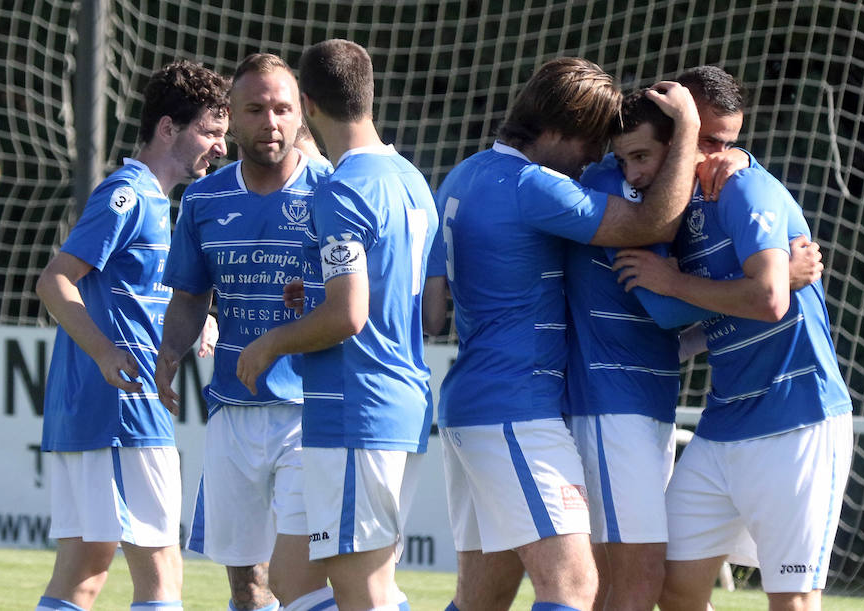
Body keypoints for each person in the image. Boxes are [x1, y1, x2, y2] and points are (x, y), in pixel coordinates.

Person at [423, 58, 702, 611]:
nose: (593, 160)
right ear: (557, 128)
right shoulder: (532, 186)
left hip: (473, 403)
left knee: (483, 599)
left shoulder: (465, 173)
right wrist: (688, 131)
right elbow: (655, 224)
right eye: (589, 143)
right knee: (573, 587)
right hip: (516, 410)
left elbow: (432, 309)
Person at [568, 85, 823, 611]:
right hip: (675, 417)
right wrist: (769, 286)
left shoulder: (740, 189)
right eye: (702, 137)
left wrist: (755, 286)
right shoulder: (643, 201)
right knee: (650, 586)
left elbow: (746, 308)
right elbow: (676, 321)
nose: (713, 152)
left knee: (787, 597)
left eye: (725, 142)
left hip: (791, 414)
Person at [236, 39, 437, 611]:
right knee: (294, 579)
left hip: (359, 409)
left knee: (362, 588)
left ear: (307, 104)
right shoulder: (412, 180)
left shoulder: (341, 190)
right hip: (395, 402)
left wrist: (271, 342)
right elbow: (433, 309)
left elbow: (349, 315)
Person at [35, 60, 229, 611]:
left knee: (82, 575)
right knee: (162, 575)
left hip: (92, 410)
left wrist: (201, 319)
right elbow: (54, 282)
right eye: (211, 133)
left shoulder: (154, 201)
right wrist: (103, 351)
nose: (219, 148)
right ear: (168, 128)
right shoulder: (130, 193)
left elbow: (132, 289)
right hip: (125, 410)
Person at [154, 54, 336, 611]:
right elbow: (189, 296)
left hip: (314, 410)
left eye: (283, 108)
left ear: (300, 112)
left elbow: (365, 295)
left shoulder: (332, 190)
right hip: (233, 410)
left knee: (303, 578)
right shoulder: (204, 199)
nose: (271, 121)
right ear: (231, 116)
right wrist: (167, 359)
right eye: (255, 109)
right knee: (247, 586)